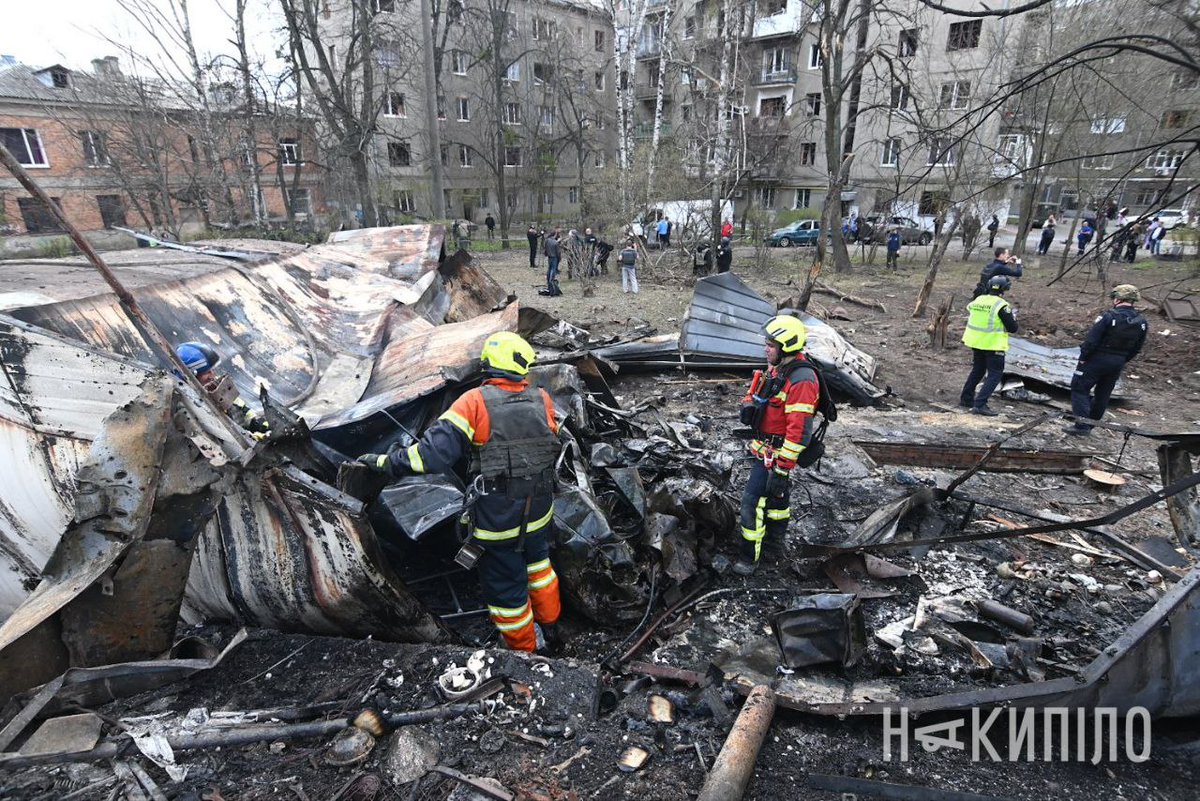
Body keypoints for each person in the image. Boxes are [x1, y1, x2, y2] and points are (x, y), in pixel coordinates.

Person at [355, 332, 563, 652]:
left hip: (499, 521)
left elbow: (429, 457)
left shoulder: (473, 402)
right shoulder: (542, 399)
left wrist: (384, 461)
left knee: (508, 594)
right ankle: (552, 632)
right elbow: (548, 441)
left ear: (489, 364)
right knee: (540, 570)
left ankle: (526, 654)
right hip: (539, 513)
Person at [735, 315, 821, 576]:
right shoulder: (779, 368)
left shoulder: (802, 380)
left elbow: (799, 431)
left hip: (777, 455)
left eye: (770, 345)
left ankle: (749, 559)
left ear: (786, 346)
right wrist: (749, 403)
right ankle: (774, 547)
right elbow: (761, 393)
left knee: (751, 503)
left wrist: (783, 468)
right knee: (777, 501)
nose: (766, 348)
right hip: (765, 448)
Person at [1065, 285, 1148, 436]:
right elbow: (1137, 348)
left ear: (1117, 298)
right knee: (1103, 394)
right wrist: (1122, 359)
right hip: (1118, 362)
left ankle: (1082, 426)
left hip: (1097, 358)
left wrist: (1083, 358)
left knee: (1079, 388)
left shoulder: (1109, 316)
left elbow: (1091, 340)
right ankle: (1090, 425)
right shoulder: (1141, 322)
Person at [175, 342, 271, 437]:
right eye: (207, 372)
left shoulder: (217, 389)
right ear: (191, 376)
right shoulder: (185, 406)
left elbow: (241, 410)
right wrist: (252, 437)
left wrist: (258, 424)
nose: (212, 376)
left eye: (212, 370)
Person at [959, 275, 1018, 417]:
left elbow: (971, 310)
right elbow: (1012, 328)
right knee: (994, 374)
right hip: (993, 344)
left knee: (977, 370)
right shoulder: (1001, 305)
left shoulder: (978, 300)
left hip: (976, 342)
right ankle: (980, 404)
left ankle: (966, 399)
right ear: (1005, 288)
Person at [544, 228, 562, 296]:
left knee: (549, 268)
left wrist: (546, 253)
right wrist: (559, 258)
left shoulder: (547, 240)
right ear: (555, 234)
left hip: (549, 256)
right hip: (554, 257)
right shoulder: (555, 242)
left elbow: (545, 248)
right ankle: (551, 280)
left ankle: (549, 279)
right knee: (553, 269)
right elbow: (558, 252)